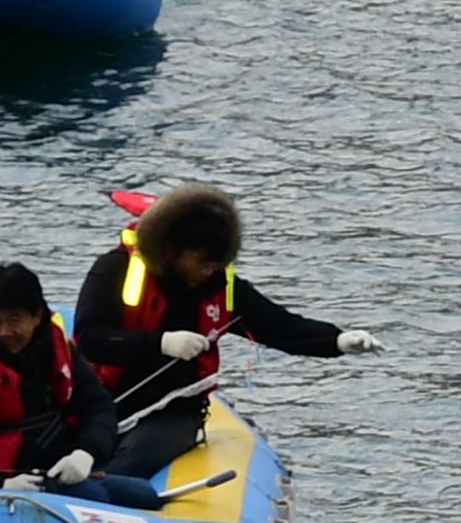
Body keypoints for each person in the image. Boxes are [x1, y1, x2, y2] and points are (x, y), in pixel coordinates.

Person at [72, 183, 380, 480]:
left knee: (133, 461)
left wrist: (337, 341)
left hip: (173, 411)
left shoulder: (221, 285)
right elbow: (90, 338)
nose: (210, 272)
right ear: (170, 251)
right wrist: (162, 343)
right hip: (101, 400)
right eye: (202, 263)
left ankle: (101, 493)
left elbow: (278, 326)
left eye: (216, 264)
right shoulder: (114, 269)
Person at [0, 263, 167, 505]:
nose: (4, 332)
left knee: (144, 495)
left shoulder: (58, 351)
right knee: (94, 497)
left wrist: (86, 452)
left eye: (14, 320)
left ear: (36, 317)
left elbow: (98, 406)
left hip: (56, 469)